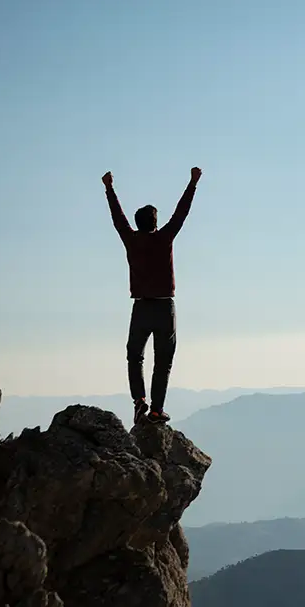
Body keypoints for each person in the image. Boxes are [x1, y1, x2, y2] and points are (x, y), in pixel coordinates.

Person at [102, 167, 202, 425]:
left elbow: (117, 218)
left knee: (135, 355)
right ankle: (157, 410)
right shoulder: (164, 238)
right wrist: (192, 183)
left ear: (138, 223)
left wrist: (109, 188)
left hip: (141, 307)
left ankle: (139, 402)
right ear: (156, 223)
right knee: (163, 361)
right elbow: (182, 213)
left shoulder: (131, 240)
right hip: (165, 307)